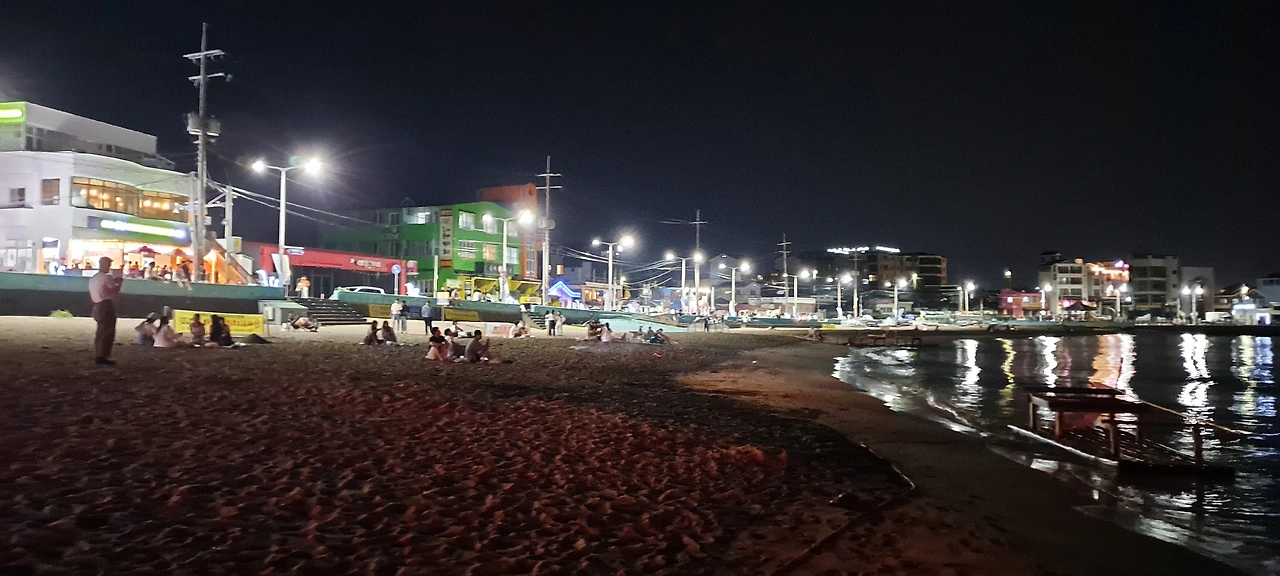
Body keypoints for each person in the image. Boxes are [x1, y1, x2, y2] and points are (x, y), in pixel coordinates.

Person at [88, 257, 124, 365]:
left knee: (100, 331)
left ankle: (99, 354)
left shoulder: (93, 278)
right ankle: (103, 356)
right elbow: (114, 291)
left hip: (97, 305)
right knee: (108, 331)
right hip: (105, 305)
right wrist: (119, 283)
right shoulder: (107, 277)